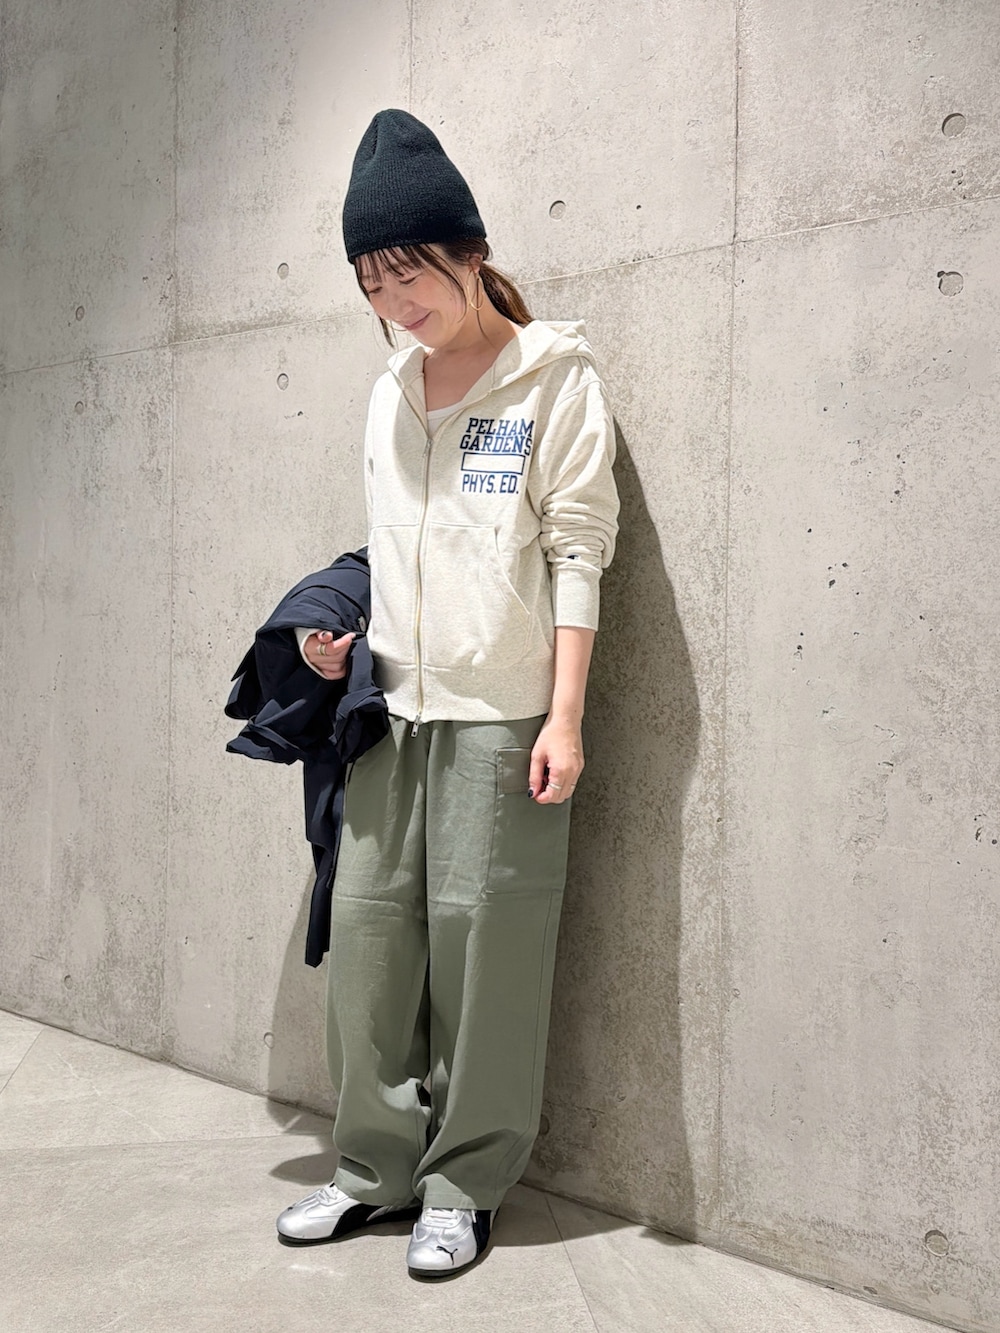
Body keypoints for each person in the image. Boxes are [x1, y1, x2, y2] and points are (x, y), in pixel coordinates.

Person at [275, 109, 619, 1279]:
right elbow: (396, 550)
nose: (393, 300)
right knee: (371, 947)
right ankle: (371, 1167)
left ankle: (462, 1183)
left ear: (469, 252)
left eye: (407, 271)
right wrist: (338, 645)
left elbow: (577, 548)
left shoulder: (553, 379)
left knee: (488, 953)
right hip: (387, 712)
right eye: (370, 282)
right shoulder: (388, 390)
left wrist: (564, 714)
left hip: (503, 716)